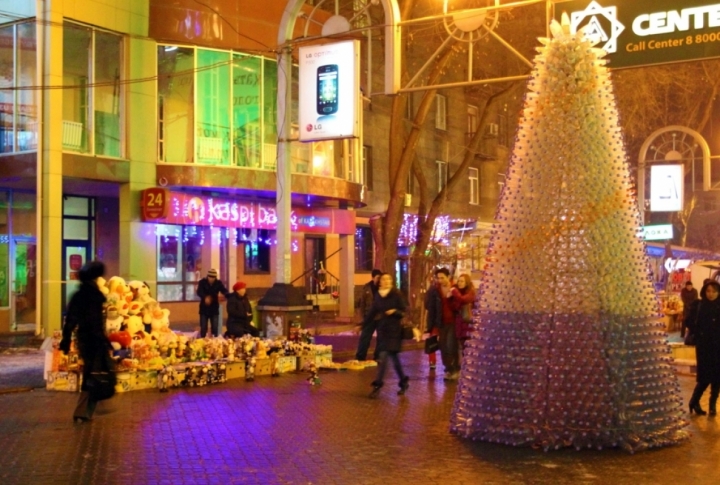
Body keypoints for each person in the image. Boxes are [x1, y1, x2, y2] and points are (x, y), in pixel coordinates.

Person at [59, 261, 114, 423]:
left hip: (84, 338)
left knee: (94, 372)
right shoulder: (94, 296)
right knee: (94, 373)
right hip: (94, 339)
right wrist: (103, 339)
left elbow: (71, 319)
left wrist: (66, 338)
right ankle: (84, 410)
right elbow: (95, 321)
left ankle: (89, 407)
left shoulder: (78, 296)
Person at [364, 273, 409, 398]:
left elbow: (404, 311)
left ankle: (379, 385)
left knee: (387, 358)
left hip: (394, 331)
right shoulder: (378, 295)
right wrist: (362, 324)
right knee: (389, 359)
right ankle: (402, 382)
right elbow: (372, 312)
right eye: (384, 279)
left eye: (389, 279)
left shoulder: (396, 294)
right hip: (383, 330)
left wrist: (395, 311)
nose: (387, 281)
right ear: (380, 282)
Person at [687, 280, 720, 416]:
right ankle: (694, 401)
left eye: (714, 291)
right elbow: (688, 321)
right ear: (704, 292)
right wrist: (699, 332)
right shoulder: (699, 305)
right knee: (705, 377)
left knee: (718, 377)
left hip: (718, 346)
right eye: (708, 291)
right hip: (704, 346)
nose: (711, 294)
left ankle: (712, 405)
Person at [425, 267, 458, 380]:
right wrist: (431, 325)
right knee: (443, 346)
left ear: (448, 277)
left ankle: (455, 368)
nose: (440, 280)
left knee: (451, 345)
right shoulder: (435, 290)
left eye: (442, 278)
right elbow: (429, 306)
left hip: (454, 321)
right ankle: (448, 369)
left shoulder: (455, 288)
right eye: (438, 278)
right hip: (441, 322)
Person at [354, 269, 382, 361]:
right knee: (365, 337)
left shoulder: (382, 288)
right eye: (377, 277)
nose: (379, 280)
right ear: (373, 277)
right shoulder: (367, 288)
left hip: (380, 317)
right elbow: (362, 303)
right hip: (369, 317)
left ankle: (378, 356)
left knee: (381, 338)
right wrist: (361, 318)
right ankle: (360, 356)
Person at [449, 273, 476, 369]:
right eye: (458, 281)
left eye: (462, 281)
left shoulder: (471, 292)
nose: (459, 283)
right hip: (460, 324)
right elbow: (454, 307)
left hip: (468, 324)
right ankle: (465, 367)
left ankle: (470, 367)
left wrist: (454, 292)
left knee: (468, 347)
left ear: (467, 282)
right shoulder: (458, 293)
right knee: (462, 347)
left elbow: (463, 300)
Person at [196, 268, 229, 338]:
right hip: (204, 308)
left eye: (213, 277)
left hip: (214, 308)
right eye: (210, 277)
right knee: (203, 327)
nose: (211, 279)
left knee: (215, 327)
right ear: (207, 276)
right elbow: (199, 292)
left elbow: (224, 290)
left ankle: (215, 340)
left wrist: (228, 295)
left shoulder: (218, 283)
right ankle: (203, 340)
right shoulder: (202, 282)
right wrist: (205, 297)